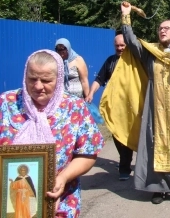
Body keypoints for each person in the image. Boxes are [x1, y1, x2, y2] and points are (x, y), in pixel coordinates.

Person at [100, 1, 170, 205]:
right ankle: (158, 189)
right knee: (156, 149)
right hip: (155, 110)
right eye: (160, 28)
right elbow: (131, 42)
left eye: (166, 28)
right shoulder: (151, 53)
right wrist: (126, 16)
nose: (162, 30)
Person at [0, 49, 104, 218]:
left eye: (46, 80)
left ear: (59, 79)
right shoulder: (6, 104)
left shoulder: (74, 108)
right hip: (10, 204)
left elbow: (89, 153)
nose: (38, 86)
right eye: (32, 79)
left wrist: (62, 178)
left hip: (61, 202)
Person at [85, 34, 134, 181]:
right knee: (116, 134)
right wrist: (91, 93)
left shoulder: (134, 61)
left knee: (130, 136)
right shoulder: (111, 61)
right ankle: (125, 161)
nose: (119, 48)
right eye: (117, 46)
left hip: (132, 107)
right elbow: (100, 78)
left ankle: (125, 166)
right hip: (114, 107)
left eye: (122, 45)